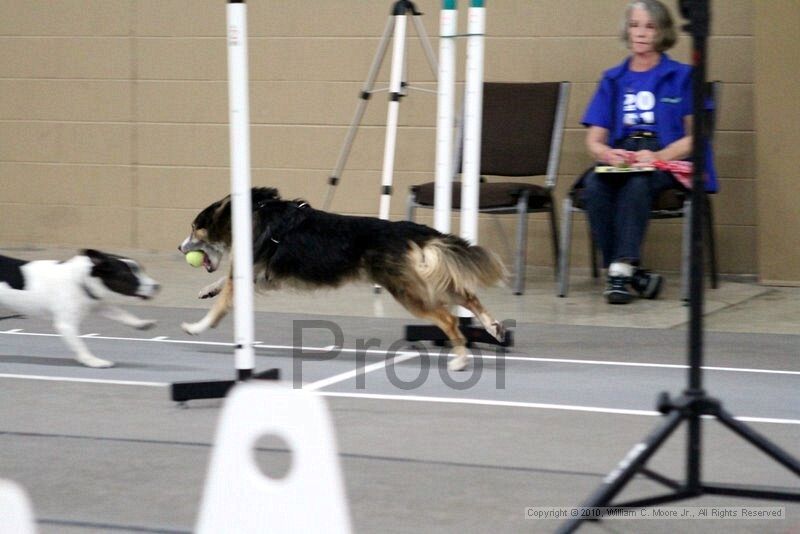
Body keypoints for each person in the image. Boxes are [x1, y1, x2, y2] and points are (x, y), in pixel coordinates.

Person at [579, 0, 717, 304]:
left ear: (662, 32)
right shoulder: (613, 79)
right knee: (593, 186)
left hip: (665, 155)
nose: (640, 33)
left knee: (637, 183)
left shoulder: (683, 76)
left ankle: (620, 270)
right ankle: (628, 272)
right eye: (634, 25)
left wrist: (658, 157)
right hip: (624, 154)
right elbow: (595, 140)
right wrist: (606, 155)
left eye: (649, 26)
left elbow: (696, 137)